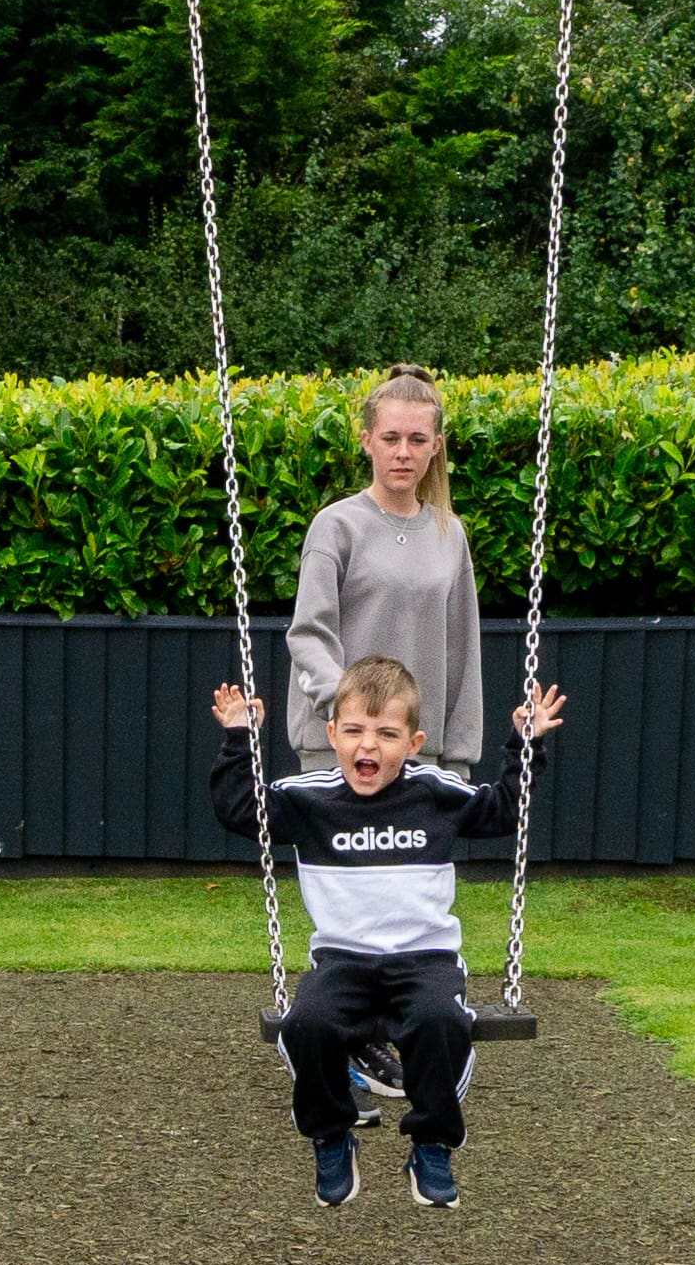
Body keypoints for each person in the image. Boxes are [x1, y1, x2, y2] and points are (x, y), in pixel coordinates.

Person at [212, 651, 563, 1213]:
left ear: (414, 742)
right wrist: (238, 739)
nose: (367, 746)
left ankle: (432, 1142)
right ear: (332, 734)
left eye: (386, 733)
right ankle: (331, 1135)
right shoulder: (310, 798)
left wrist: (526, 746)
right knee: (307, 1024)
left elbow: (502, 811)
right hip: (343, 961)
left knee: (440, 1022)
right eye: (352, 730)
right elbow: (239, 812)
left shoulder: (436, 793)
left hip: (423, 958)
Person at [284, 368, 482, 773]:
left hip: (418, 760)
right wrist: (348, 717)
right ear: (367, 441)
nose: (403, 452)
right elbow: (308, 636)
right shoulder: (336, 526)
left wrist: (458, 761)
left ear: (436, 446)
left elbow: (463, 657)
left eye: (417, 440)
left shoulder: (450, 534)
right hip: (337, 755)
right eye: (391, 438)